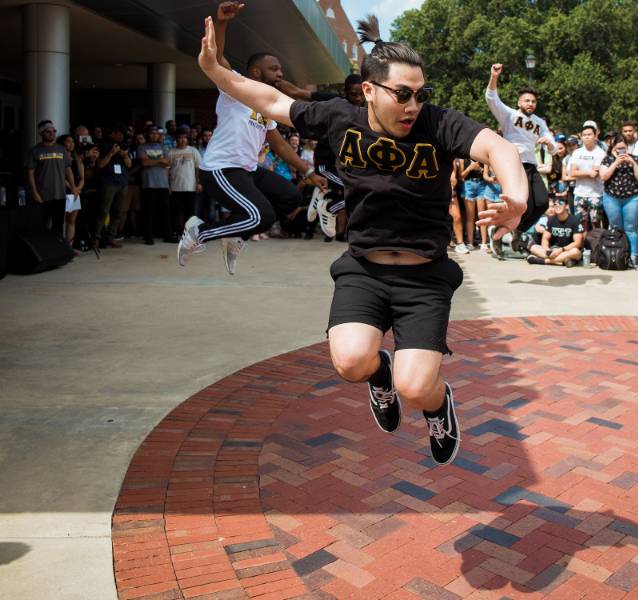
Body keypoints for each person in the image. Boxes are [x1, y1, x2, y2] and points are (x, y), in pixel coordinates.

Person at [197, 12, 527, 465]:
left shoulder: (438, 124)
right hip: (364, 269)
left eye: (421, 94)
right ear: (370, 90)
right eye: (403, 95)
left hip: (424, 277)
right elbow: (271, 100)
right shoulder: (339, 118)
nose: (413, 106)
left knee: (415, 387)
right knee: (351, 362)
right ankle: (378, 373)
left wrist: (517, 196)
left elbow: (499, 147)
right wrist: (217, 71)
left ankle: (438, 404)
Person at [178, 1, 326, 274]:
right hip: (221, 168)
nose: (281, 73)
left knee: (291, 196)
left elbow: (279, 144)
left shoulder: (267, 104)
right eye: (275, 69)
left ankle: (236, 234)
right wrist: (222, 23)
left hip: (247, 170)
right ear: (256, 72)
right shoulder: (235, 87)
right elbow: (219, 58)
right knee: (261, 215)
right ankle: (198, 231)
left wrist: (308, 172)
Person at [278, 73, 366, 242]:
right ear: (345, 92)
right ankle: (329, 206)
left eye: (361, 94)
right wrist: (277, 82)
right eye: (353, 94)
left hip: (346, 165)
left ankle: (322, 196)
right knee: (359, 191)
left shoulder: (368, 109)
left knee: (366, 191)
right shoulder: (335, 102)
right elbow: (299, 93)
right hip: (327, 165)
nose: (358, 98)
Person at [486, 63, 556, 255]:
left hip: (531, 165)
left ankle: (517, 231)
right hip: (514, 165)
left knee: (541, 203)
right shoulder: (509, 115)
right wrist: (494, 77)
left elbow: (553, 145)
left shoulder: (539, 122)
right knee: (518, 204)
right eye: (526, 101)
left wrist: (549, 145)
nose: (530, 104)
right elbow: (492, 98)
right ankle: (497, 234)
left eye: (533, 101)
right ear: (519, 102)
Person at [600, 134, 638, 268]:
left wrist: (632, 163)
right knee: (616, 228)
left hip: (632, 198)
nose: (621, 151)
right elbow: (604, 176)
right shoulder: (607, 160)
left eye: (623, 148)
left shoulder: (635, 159)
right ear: (613, 148)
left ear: (628, 147)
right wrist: (616, 162)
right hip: (612, 197)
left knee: (631, 228)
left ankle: (633, 257)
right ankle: (619, 255)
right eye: (618, 148)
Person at [25, 120, 76, 233]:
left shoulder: (61, 149)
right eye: (48, 132)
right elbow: (30, 173)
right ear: (41, 133)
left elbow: (68, 169)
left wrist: (73, 187)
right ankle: (43, 250)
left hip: (59, 195)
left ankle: (57, 249)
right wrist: (34, 193)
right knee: (41, 226)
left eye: (53, 131)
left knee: (58, 225)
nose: (52, 134)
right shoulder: (35, 151)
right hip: (42, 196)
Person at [97, 127, 132, 248]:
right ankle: (97, 238)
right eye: (119, 133)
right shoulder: (104, 145)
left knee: (118, 212)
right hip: (109, 182)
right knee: (103, 211)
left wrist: (125, 155)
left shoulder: (124, 146)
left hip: (122, 182)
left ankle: (112, 237)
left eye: (123, 134)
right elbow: (100, 165)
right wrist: (111, 153)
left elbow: (129, 165)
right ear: (113, 133)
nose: (122, 136)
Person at [568, 122, 606, 231]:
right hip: (579, 193)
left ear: (595, 136)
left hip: (596, 194)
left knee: (596, 223)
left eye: (589, 134)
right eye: (584, 135)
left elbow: (594, 174)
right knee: (581, 224)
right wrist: (588, 172)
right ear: (581, 137)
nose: (587, 137)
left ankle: (596, 246)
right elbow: (573, 173)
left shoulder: (600, 153)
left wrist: (582, 172)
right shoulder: (577, 152)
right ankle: (584, 246)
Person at [137, 125, 172, 245]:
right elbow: (144, 163)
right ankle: (148, 236)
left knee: (166, 211)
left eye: (156, 133)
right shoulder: (142, 147)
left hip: (163, 184)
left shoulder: (164, 147)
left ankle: (167, 235)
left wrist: (153, 161)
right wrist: (159, 160)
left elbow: (168, 162)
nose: (154, 135)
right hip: (148, 184)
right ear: (147, 134)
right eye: (152, 133)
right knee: (149, 212)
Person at [526, 197, 584, 267]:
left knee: (576, 252)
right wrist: (547, 250)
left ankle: (545, 261)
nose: (558, 206)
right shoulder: (551, 220)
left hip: (567, 250)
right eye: (555, 204)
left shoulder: (575, 220)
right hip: (553, 249)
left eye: (561, 203)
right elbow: (545, 238)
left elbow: (578, 243)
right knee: (533, 247)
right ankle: (563, 260)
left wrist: (561, 250)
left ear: (567, 206)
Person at [168, 128, 203, 234]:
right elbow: (167, 170)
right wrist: (168, 185)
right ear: (176, 139)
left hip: (191, 187)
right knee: (176, 212)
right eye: (180, 137)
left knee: (191, 212)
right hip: (175, 188)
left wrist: (199, 183)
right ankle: (177, 232)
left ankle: (190, 233)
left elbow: (198, 169)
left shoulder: (193, 151)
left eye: (184, 137)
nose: (182, 140)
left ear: (187, 139)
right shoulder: (171, 152)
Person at [58, 134, 84, 249]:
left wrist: (77, 189)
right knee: (62, 220)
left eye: (73, 141)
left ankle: (69, 247)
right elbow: (61, 176)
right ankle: (60, 247)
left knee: (72, 220)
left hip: (75, 192)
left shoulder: (76, 158)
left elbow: (82, 177)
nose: (71, 144)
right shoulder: (60, 157)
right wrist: (73, 188)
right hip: (64, 191)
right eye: (68, 141)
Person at [459, 158, 487, 250]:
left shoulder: (481, 157)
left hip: (481, 184)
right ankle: (470, 242)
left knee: (482, 215)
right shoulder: (464, 159)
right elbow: (461, 176)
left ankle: (484, 243)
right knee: (470, 216)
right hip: (468, 185)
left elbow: (487, 173)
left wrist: (481, 170)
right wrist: (470, 168)